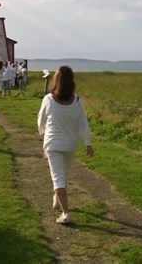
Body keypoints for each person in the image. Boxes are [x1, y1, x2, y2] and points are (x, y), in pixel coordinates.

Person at [37, 66, 94, 224]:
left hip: (53, 143)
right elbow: (84, 123)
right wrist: (88, 144)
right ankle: (61, 203)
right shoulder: (77, 100)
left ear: (56, 80)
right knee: (63, 176)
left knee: (59, 178)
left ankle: (65, 214)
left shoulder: (49, 99)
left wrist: (42, 133)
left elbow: (40, 120)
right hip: (70, 144)